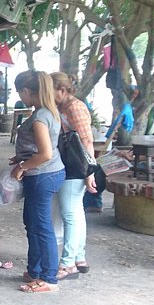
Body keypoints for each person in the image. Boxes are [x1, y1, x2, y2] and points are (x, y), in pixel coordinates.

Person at [11, 70, 65, 293]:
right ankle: (35, 270)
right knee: (32, 223)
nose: (20, 97)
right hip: (43, 174)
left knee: (41, 226)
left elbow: (45, 154)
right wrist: (23, 157)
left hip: (43, 175)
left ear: (26, 91)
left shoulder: (41, 117)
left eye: (19, 92)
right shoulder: (46, 112)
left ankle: (49, 278)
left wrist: (22, 167)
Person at [52, 73, 97, 278]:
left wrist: (89, 172)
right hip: (72, 165)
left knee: (70, 215)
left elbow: (87, 140)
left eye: (51, 91)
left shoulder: (74, 107)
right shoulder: (63, 107)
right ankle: (79, 257)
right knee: (76, 213)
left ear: (62, 90)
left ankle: (68, 263)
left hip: (76, 166)